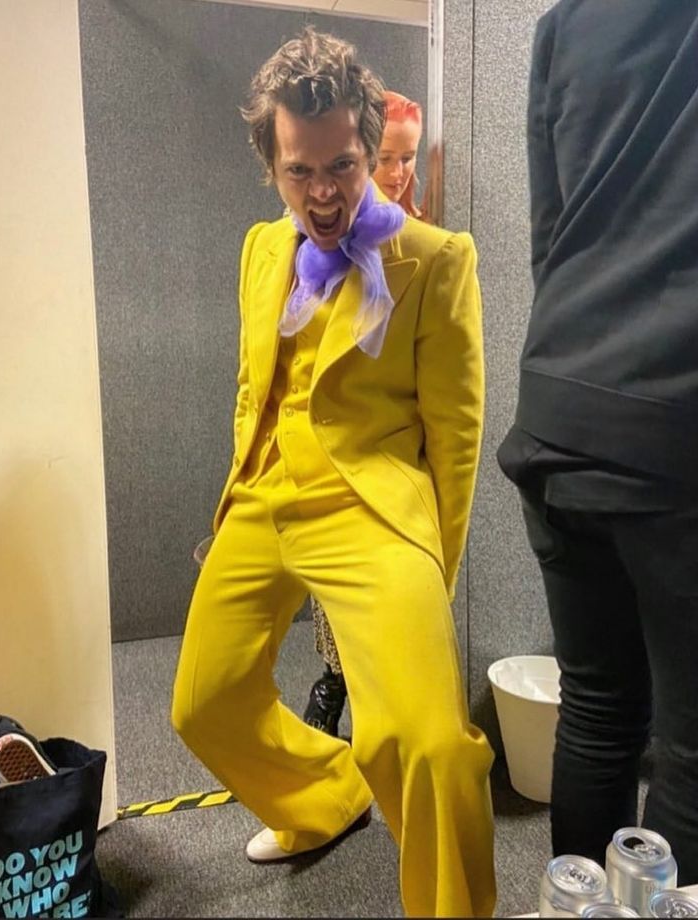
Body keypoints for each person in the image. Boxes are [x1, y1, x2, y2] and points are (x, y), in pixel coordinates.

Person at [171, 27, 495, 917]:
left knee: (427, 742)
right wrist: (236, 495)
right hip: (265, 495)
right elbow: (254, 391)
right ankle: (325, 799)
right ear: (272, 163)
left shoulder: (435, 261)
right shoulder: (261, 250)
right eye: (299, 172)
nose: (322, 194)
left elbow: (455, 436)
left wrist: (434, 567)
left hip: (373, 510)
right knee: (203, 703)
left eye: (343, 167)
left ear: (373, 148)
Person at [498, 0, 698, 883]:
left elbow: (552, 233)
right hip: (672, 422)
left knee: (600, 710)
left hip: (560, 400)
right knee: (692, 748)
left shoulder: (567, 20)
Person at [303, 89, 426, 736]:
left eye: (409, 158)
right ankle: (333, 690)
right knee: (338, 620)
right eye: (388, 157)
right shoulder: (320, 250)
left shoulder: (425, 246)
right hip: (336, 457)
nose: (401, 172)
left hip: (401, 456)